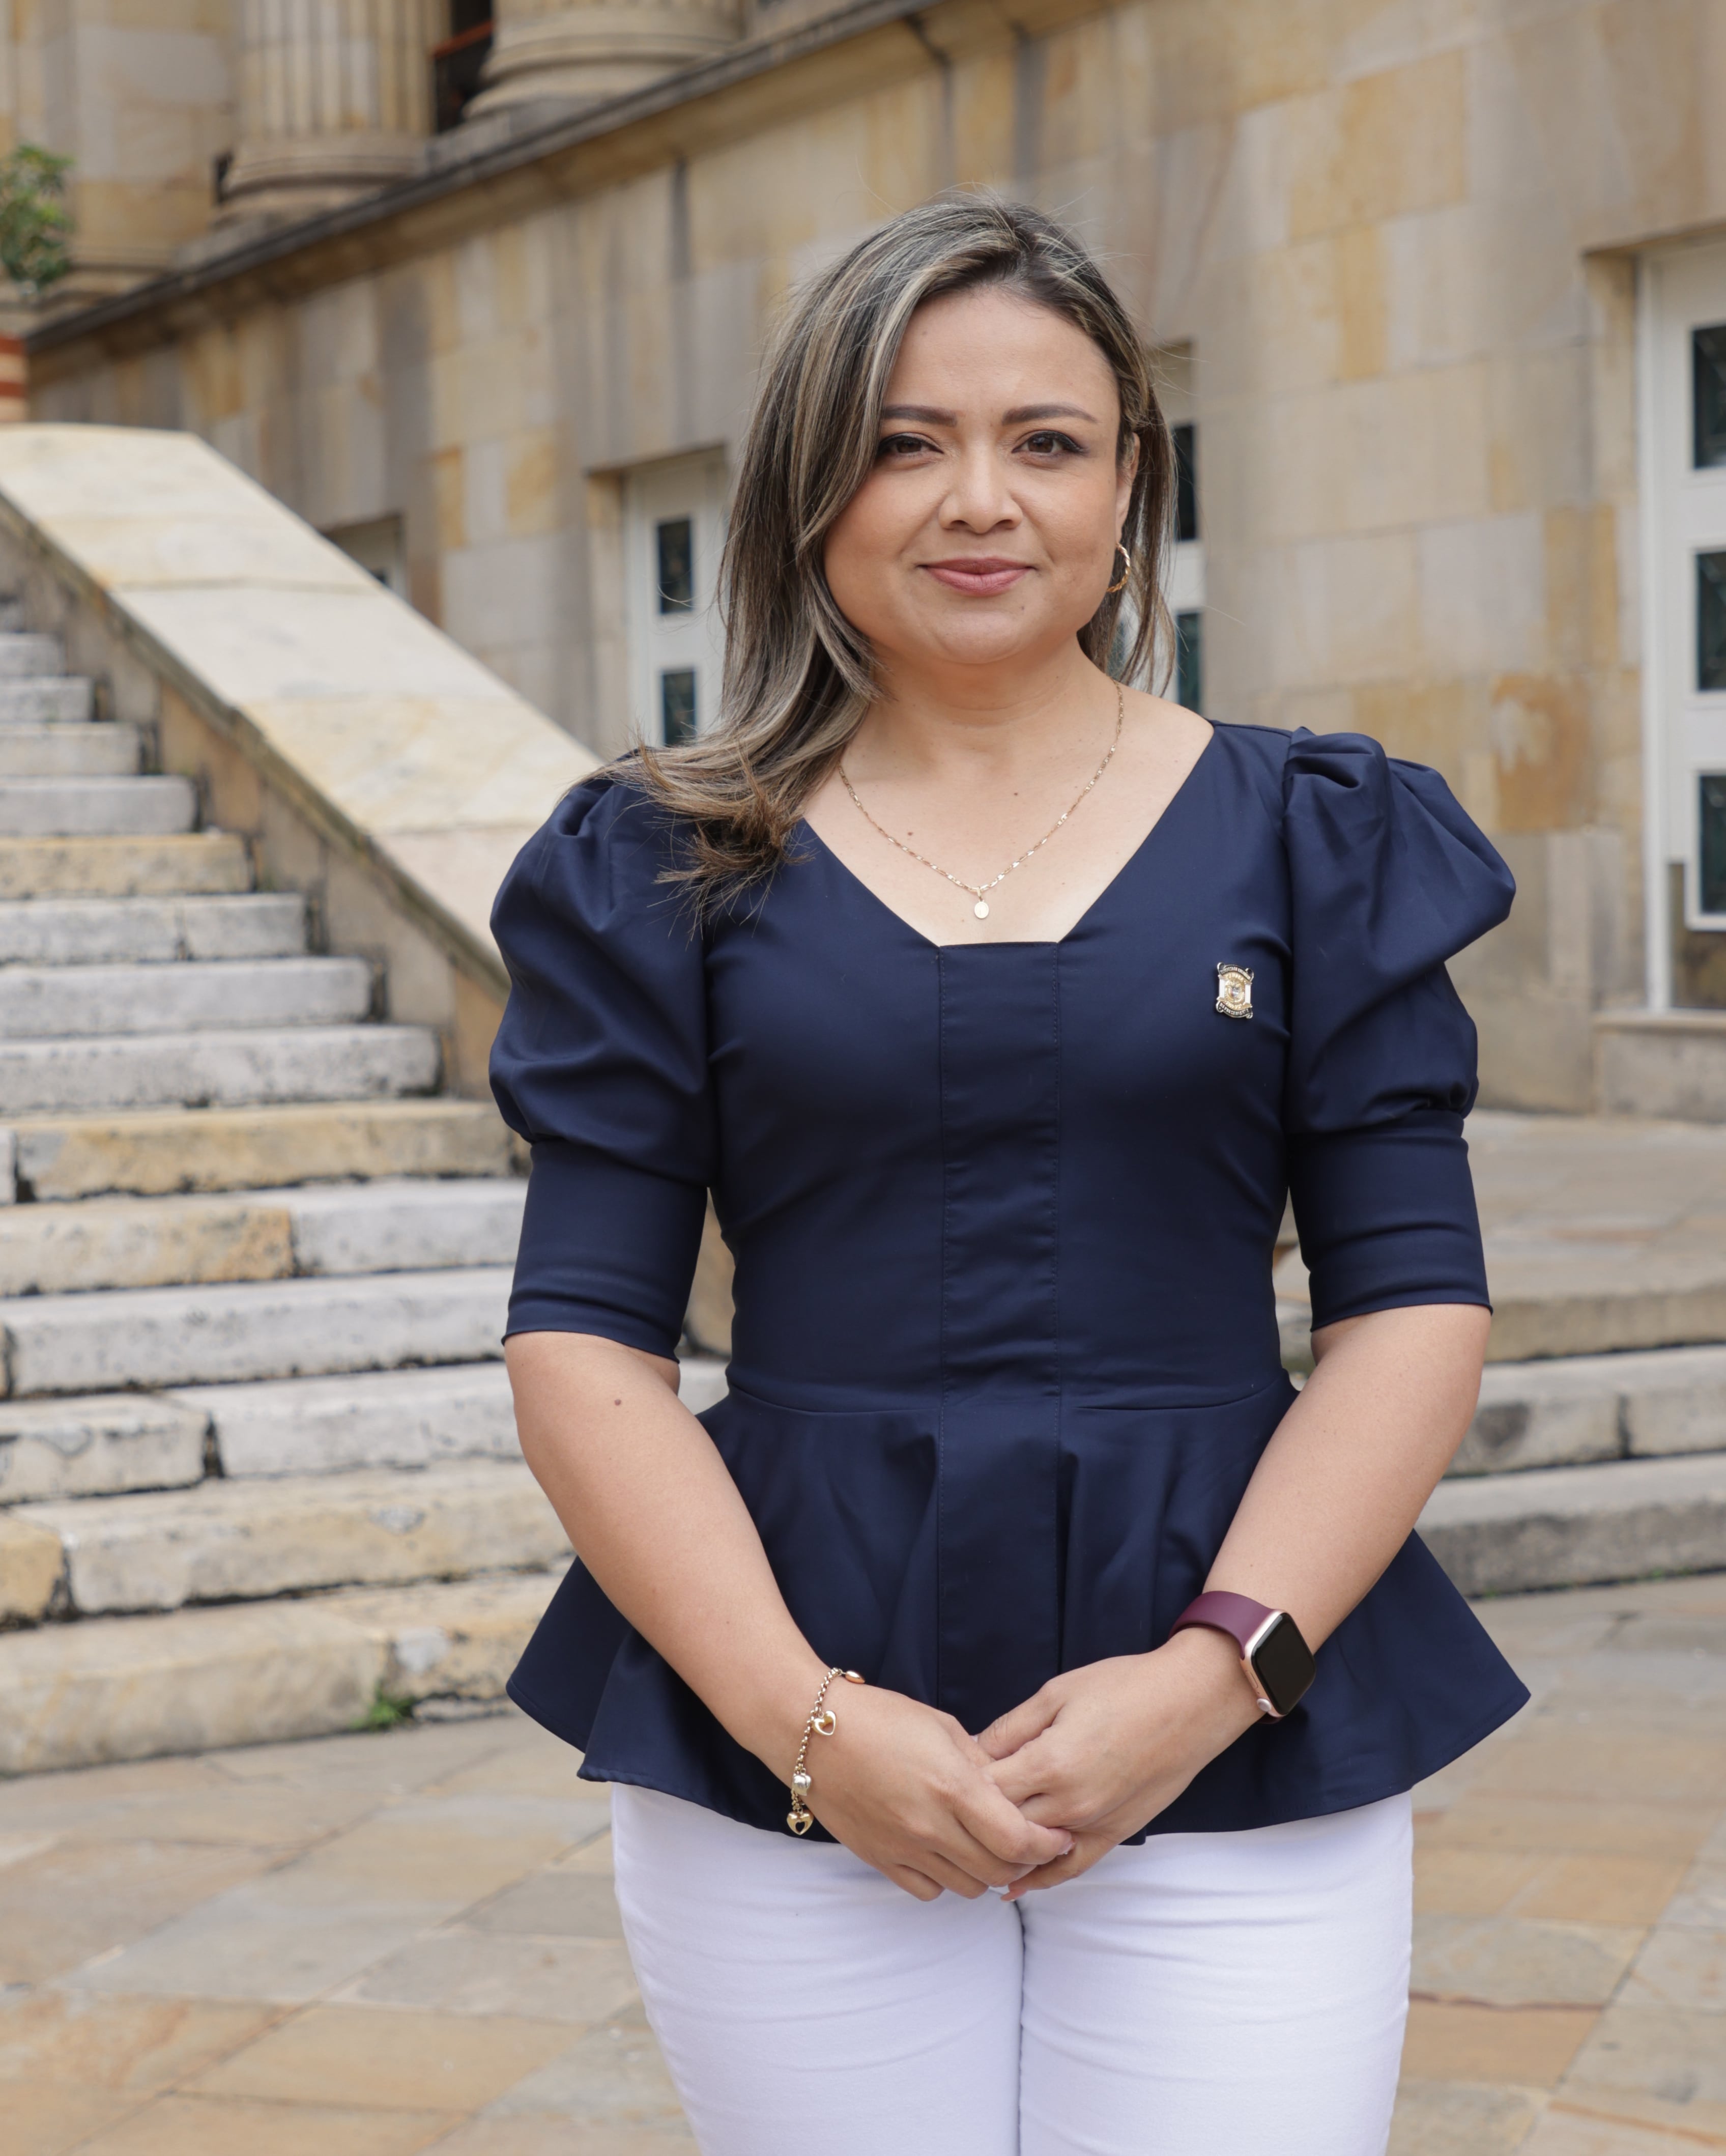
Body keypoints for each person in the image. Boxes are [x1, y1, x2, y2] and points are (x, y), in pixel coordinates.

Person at [490, 194, 1527, 2156]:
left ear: (1132, 486)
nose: (980, 499)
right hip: (793, 1687)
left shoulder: (1315, 833)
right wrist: (807, 1721)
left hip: (1237, 1690)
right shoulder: (660, 864)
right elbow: (583, 1344)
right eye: (904, 440)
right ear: (810, 485)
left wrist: (1219, 1674)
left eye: (1047, 441)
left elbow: (1409, 1306)